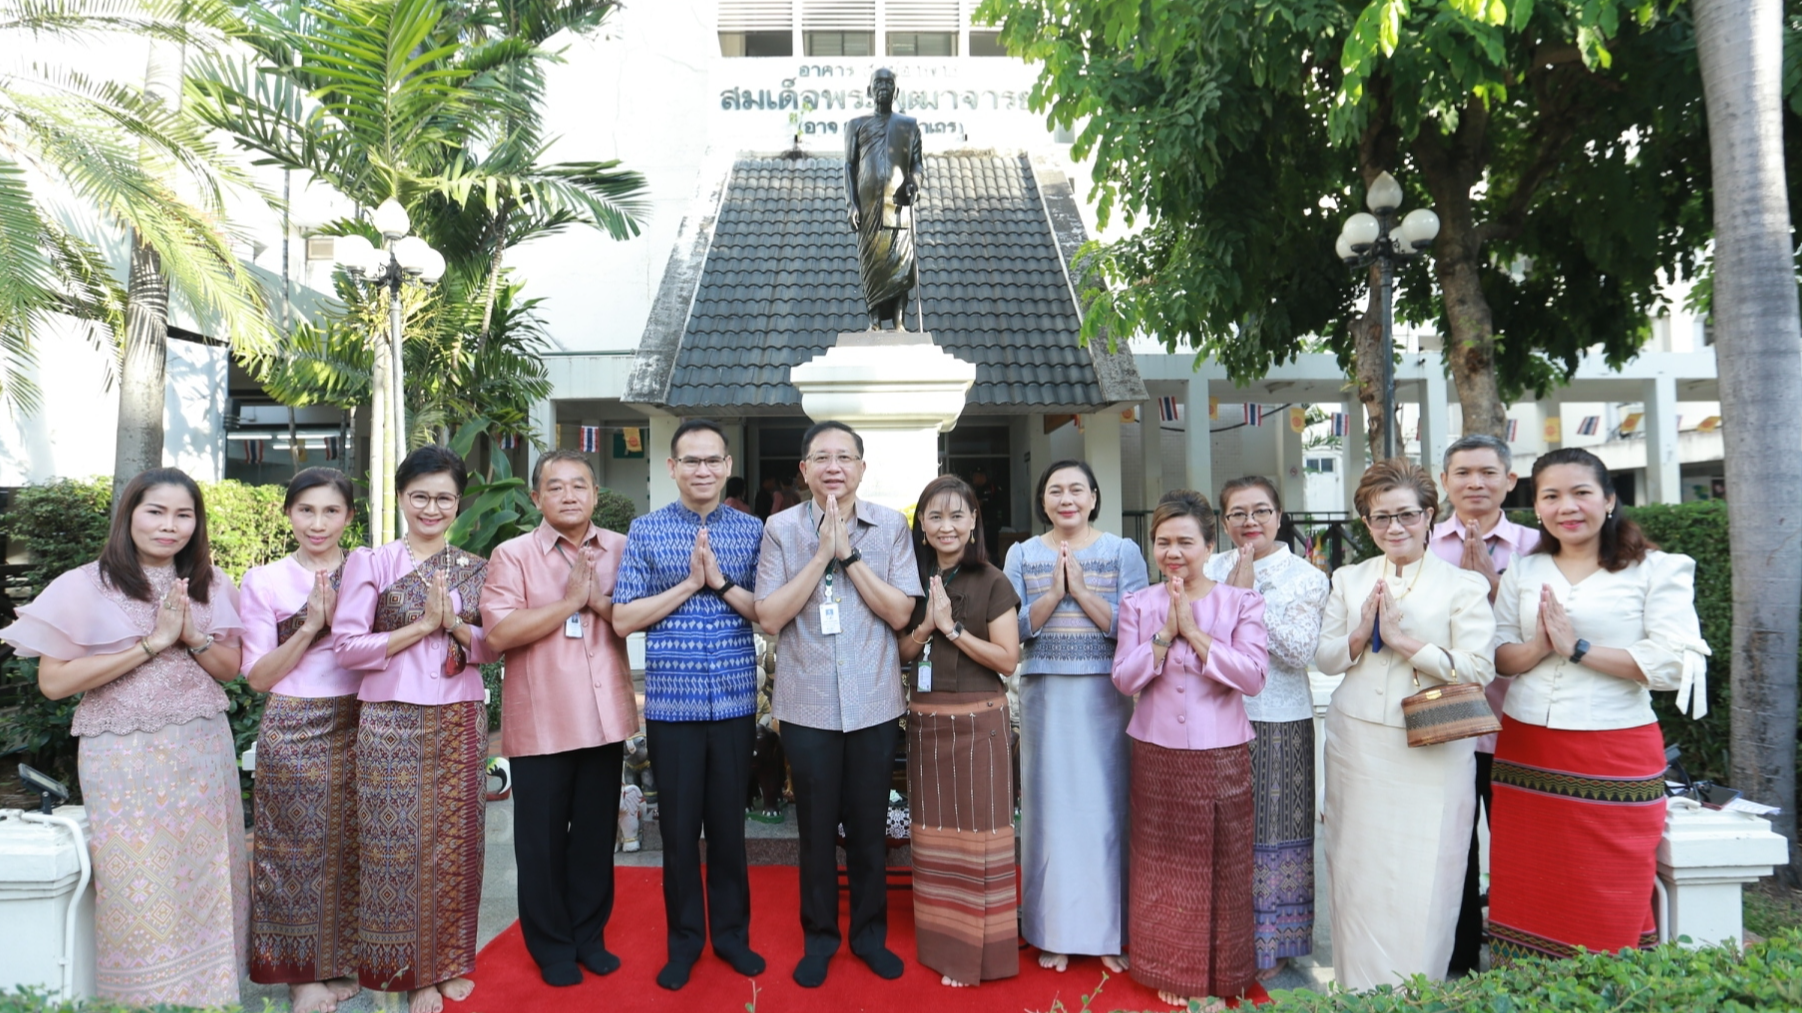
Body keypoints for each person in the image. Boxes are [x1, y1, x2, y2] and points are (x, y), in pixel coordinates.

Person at [0, 469, 247, 1007]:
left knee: (207, 881)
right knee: (136, 888)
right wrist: (153, 644)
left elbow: (229, 670)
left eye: (184, 515)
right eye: (155, 511)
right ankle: (143, 1001)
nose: (170, 526)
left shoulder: (212, 583)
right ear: (129, 514)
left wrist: (193, 637)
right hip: (123, 758)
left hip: (203, 751)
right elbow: (54, 682)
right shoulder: (83, 584)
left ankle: (212, 999)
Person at [1486, 448, 1708, 964]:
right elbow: (1498, 655)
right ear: (1537, 508)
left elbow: (1676, 664)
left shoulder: (1657, 569)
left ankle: (1609, 988)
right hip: (1527, 746)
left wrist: (1578, 649)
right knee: (1531, 878)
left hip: (1615, 744)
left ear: (1609, 500)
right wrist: (1541, 646)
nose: (1568, 506)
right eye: (1551, 496)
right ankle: (1530, 990)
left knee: (1611, 883)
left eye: (1581, 492)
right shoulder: (1524, 569)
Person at [1314, 459, 1496, 991]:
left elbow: (1480, 668)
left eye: (1406, 516)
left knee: (1425, 874)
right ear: (1366, 524)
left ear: (1429, 516)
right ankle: (1357, 990)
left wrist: (1405, 643)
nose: (1394, 528)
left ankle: (1416, 992)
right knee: (1357, 871)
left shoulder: (1461, 585)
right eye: (1380, 518)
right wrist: (1359, 636)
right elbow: (1324, 659)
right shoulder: (1349, 578)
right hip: (1356, 742)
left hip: (1433, 745)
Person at [754, 420, 921, 988]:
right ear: (803, 470)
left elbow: (901, 614)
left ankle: (869, 936)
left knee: (870, 830)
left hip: (874, 703)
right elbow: (771, 617)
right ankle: (820, 938)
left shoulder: (892, 526)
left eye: (844, 457)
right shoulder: (778, 529)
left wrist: (848, 557)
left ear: (861, 468)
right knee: (816, 830)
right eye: (820, 457)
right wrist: (820, 551)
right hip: (807, 707)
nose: (833, 467)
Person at [333, 446, 496, 1013]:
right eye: (420, 496)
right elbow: (348, 648)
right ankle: (410, 970)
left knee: (456, 842)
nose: (432, 507)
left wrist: (455, 627)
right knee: (395, 844)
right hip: (390, 716)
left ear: (458, 503)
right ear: (402, 497)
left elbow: (492, 646)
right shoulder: (369, 563)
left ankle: (449, 961)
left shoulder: (476, 567)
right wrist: (421, 626)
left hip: (459, 714)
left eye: (444, 498)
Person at [613, 420, 767, 990]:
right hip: (672, 706)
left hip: (732, 703)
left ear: (727, 466)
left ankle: (731, 937)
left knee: (729, 827)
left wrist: (721, 581)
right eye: (690, 461)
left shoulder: (754, 533)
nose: (702, 471)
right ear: (672, 468)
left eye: (712, 461)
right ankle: (683, 943)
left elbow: (767, 612)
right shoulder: (646, 531)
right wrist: (689, 584)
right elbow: (624, 617)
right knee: (676, 832)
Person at [481, 450, 637, 987]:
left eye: (579, 486)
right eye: (556, 487)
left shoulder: (621, 548)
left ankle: (589, 937)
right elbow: (498, 634)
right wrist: (570, 602)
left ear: (596, 494)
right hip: (542, 716)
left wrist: (593, 600)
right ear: (536, 497)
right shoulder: (513, 555)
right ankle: (551, 946)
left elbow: (634, 619)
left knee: (595, 835)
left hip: (603, 714)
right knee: (541, 840)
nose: (569, 496)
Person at [1113, 490, 1267, 1011]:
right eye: (1162, 542)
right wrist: (1162, 636)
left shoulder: (1240, 601)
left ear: (1209, 544)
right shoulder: (1138, 604)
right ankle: (1168, 966)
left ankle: (1224, 971)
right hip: (1156, 752)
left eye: (1185, 541)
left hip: (1221, 753)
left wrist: (1196, 635)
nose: (1173, 552)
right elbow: (1123, 678)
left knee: (1223, 863)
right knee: (1162, 863)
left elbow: (1253, 677)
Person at [1004, 459, 1147, 974]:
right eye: (1055, 490)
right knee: (1050, 816)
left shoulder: (1121, 551)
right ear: (1043, 500)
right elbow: (1013, 629)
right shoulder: (1020, 553)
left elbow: (1136, 629)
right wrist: (1053, 594)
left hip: (1105, 695)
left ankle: (1109, 933)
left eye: (1076, 490)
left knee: (1105, 813)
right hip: (1044, 694)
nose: (1066, 498)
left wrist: (1083, 591)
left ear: (1093, 496)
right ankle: (1053, 930)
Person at [241, 468, 361, 1013]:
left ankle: (336, 960)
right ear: (289, 514)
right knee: (293, 850)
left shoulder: (367, 572)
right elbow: (259, 676)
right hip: (295, 720)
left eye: (331, 511)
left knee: (351, 846)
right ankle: (299, 975)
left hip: (365, 716)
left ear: (349, 517)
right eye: (306, 510)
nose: (318, 522)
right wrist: (313, 626)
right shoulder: (263, 581)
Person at [897, 475, 1022, 988]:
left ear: (973, 523)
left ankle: (978, 956)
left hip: (979, 726)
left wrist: (952, 630)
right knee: (932, 839)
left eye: (957, 516)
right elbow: (902, 652)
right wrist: (927, 625)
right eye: (935, 517)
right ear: (921, 527)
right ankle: (941, 943)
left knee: (980, 842)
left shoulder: (992, 580)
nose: (946, 526)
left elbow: (1008, 660)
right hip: (926, 726)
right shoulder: (913, 579)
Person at [1203, 476, 1328, 980]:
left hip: (1280, 720)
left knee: (1275, 834)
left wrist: (1249, 600)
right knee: (1227, 833)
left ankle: (1273, 945)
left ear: (1279, 515)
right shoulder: (1209, 566)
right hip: (1218, 716)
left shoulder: (1306, 576)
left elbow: (1300, 652)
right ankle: (1227, 938)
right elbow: (1197, 631)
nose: (1248, 522)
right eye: (1237, 513)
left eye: (1259, 511)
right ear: (1225, 520)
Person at [1428, 434, 1540, 975]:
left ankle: (1523, 955)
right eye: (1463, 473)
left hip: (1519, 720)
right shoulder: (1422, 542)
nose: (1476, 483)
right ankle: (1460, 955)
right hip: (1448, 721)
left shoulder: (1537, 547)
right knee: (1454, 846)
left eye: (1488, 473)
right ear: (1445, 480)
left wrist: (1493, 590)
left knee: (1519, 844)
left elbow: (1549, 629)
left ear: (1510, 481)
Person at [844, 67, 925, 330]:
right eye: (878, 83)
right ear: (869, 90)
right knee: (873, 264)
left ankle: (900, 322)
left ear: (897, 91)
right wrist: (852, 203)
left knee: (900, 263)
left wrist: (914, 183)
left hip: (898, 207)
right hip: (868, 210)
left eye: (889, 84)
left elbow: (917, 165)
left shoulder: (909, 126)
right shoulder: (855, 126)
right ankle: (875, 322)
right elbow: (849, 166)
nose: (883, 88)